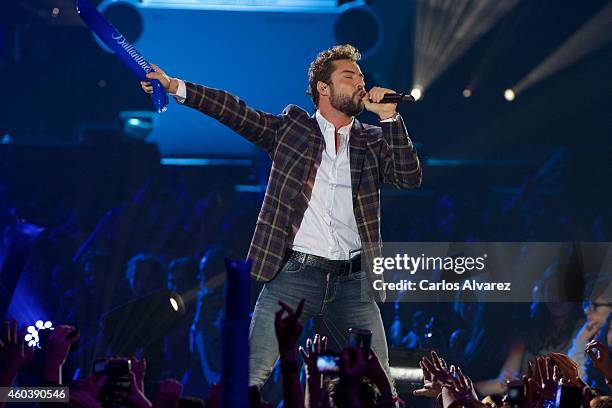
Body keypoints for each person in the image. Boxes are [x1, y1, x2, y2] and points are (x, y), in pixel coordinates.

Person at [141, 44, 422, 391]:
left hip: (353, 281)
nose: (361, 83)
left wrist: (390, 118)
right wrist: (173, 86)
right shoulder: (292, 130)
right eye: (349, 76)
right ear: (323, 87)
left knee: (381, 385)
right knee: (250, 378)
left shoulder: (374, 140)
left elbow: (409, 177)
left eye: (362, 77)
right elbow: (234, 111)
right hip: (294, 275)